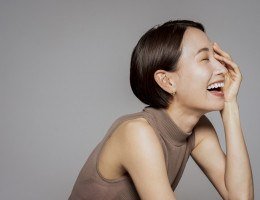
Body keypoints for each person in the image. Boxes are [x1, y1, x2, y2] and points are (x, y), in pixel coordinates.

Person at [68, 20, 254, 200]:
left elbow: (240, 197)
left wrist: (230, 106)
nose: (222, 68)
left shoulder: (199, 128)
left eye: (218, 58)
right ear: (167, 81)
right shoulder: (137, 132)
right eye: (205, 59)